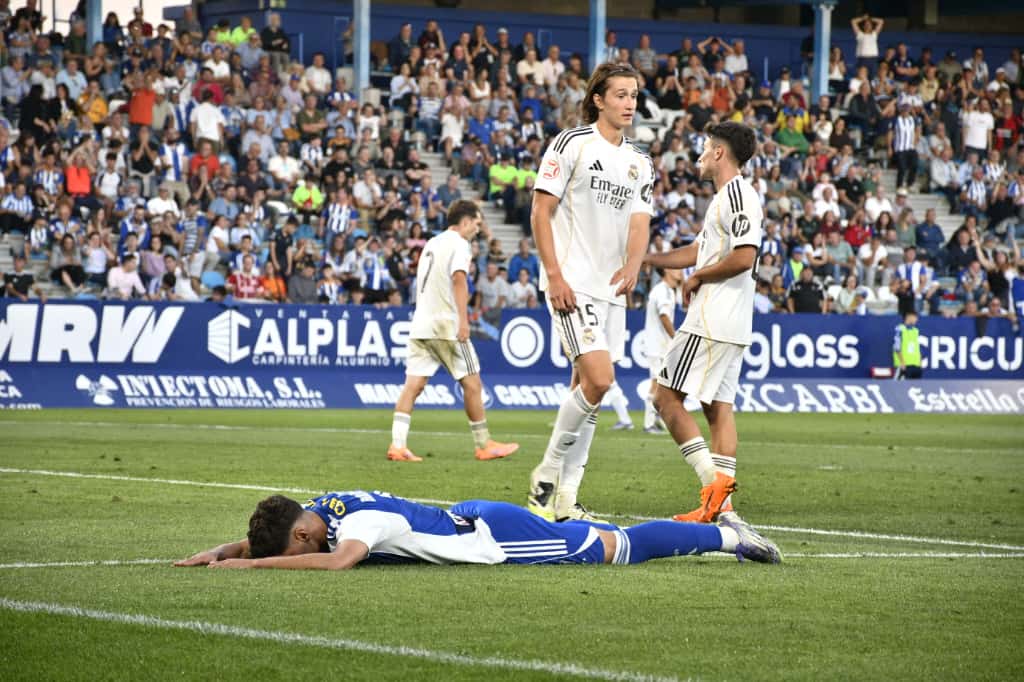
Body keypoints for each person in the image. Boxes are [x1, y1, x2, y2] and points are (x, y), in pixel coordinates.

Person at [527, 63, 654, 523]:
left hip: (611, 290)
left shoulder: (641, 161)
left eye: (634, 96)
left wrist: (635, 264)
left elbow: (640, 222)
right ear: (598, 99)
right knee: (600, 380)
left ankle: (566, 498)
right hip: (572, 282)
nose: (629, 104)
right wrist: (554, 275)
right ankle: (544, 476)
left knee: (587, 390)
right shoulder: (572, 144)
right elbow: (541, 212)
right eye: (620, 94)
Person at [174, 489, 781, 570]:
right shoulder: (315, 512)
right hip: (476, 518)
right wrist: (220, 550)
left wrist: (250, 566)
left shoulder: (358, 526)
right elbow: (300, 543)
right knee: (590, 534)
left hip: (496, 538)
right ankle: (570, 524)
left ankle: (726, 534)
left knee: (614, 550)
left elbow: (335, 563)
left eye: (285, 550)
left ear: (302, 535)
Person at [642, 120, 762, 524]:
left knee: (663, 396)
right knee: (717, 408)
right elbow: (699, 250)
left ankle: (715, 495)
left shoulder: (739, 196)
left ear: (719, 153)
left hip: (713, 318)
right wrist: (647, 259)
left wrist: (697, 277)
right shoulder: (724, 198)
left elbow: (745, 256)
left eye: (706, 145)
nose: (701, 151)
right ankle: (720, 503)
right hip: (733, 322)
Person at [388, 200, 519, 463]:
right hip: (445, 324)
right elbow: (459, 279)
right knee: (472, 383)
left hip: (421, 323)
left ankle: (397, 445)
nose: (479, 230)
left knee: (413, 385)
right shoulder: (460, 243)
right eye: (477, 224)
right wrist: (463, 320)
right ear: (466, 221)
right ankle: (484, 444)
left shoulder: (432, 243)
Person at [642, 268, 680, 433]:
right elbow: (664, 316)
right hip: (657, 345)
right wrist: (676, 337)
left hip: (662, 345)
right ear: (666, 271)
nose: (680, 272)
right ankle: (649, 423)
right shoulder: (663, 290)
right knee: (656, 382)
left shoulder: (669, 291)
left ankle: (657, 419)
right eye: (676, 269)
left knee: (663, 384)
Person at [893, 311, 922, 379]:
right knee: (901, 386)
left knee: (915, 387)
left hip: (916, 364)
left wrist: (920, 362)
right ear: (909, 317)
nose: (916, 319)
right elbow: (897, 347)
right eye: (915, 317)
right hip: (905, 365)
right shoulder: (900, 329)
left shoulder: (915, 330)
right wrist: (902, 362)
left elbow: (917, 347)